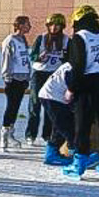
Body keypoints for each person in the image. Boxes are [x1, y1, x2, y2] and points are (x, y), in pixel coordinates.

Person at [63, 5, 99, 179]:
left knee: (82, 124)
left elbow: (77, 65)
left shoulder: (80, 37)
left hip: (86, 85)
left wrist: (71, 88)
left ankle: (79, 163)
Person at [25, 13, 69, 146]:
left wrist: (64, 60)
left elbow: (70, 59)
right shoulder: (42, 38)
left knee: (51, 105)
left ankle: (47, 134)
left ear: (62, 27)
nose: (54, 28)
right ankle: (31, 134)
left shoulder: (67, 40)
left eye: (57, 25)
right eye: (51, 25)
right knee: (35, 105)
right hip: (40, 73)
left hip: (55, 75)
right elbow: (32, 56)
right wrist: (39, 57)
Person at [0, 15, 32, 150]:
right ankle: (4, 134)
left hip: (23, 78)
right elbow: (7, 58)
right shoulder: (10, 40)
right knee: (11, 107)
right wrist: (7, 76)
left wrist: (28, 74)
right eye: (27, 24)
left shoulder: (23, 40)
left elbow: (25, 59)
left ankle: (11, 133)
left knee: (16, 107)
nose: (30, 26)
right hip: (13, 79)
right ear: (20, 25)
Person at [38, 62, 75, 166]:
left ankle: (51, 153)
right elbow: (72, 84)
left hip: (55, 97)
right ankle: (76, 154)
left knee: (59, 127)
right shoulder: (74, 66)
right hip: (52, 97)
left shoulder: (72, 64)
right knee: (67, 128)